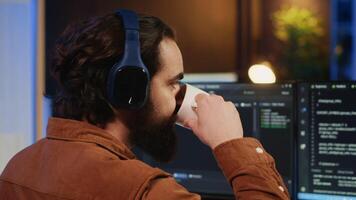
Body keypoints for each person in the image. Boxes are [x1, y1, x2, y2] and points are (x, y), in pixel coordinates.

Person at [0, 10, 290, 200]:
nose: (181, 95)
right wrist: (231, 143)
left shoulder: (17, 168)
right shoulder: (146, 192)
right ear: (130, 90)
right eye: (173, 83)